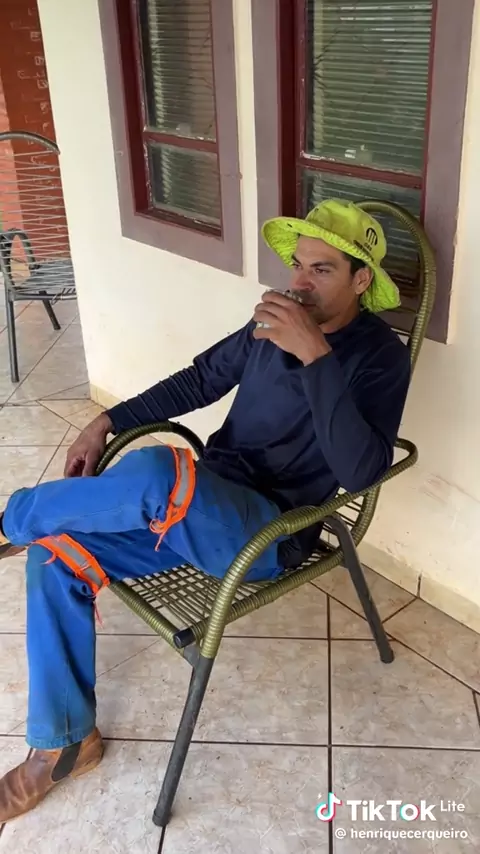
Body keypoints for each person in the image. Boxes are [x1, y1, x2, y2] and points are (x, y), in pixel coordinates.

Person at [0, 200, 410, 820]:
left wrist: (316, 359)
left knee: (159, 472)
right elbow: (198, 381)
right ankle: (64, 746)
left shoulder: (379, 357)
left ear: (361, 280)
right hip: (197, 502)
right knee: (54, 558)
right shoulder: (270, 323)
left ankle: (13, 519)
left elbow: (361, 473)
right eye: (298, 265)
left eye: (322, 270)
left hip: (269, 533)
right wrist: (105, 420)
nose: (300, 282)